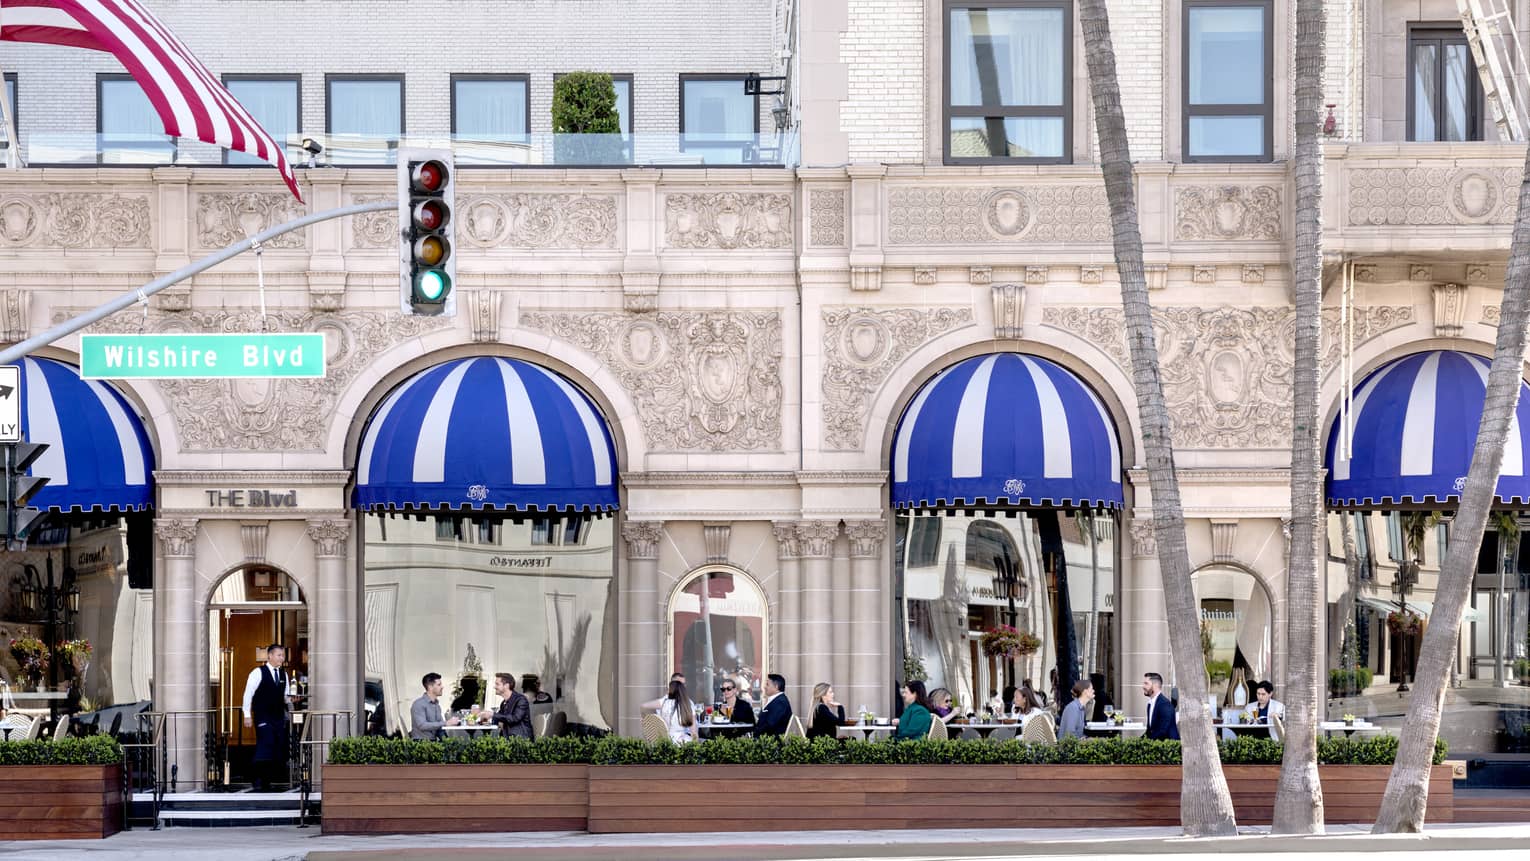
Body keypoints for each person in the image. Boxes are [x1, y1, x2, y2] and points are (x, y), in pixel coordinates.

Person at [241, 643, 295, 791]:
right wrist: (247, 715)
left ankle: (267, 780)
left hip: (278, 717)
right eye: (279, 655)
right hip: (263, 716)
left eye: (283, 655)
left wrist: (292, 707)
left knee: (277, 747)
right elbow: (248, 694)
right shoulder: (258, 672)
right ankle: (256, 779)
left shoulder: (284, 674)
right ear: (269, 656)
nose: (281, 658)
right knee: (266, 744)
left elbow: (285, 697)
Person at [410, 672, 460, 740]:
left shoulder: (436, 705)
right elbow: (422, 725)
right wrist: (446, 723)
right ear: (430, 687)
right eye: (439, 684)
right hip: (421, 743)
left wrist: (448, 742)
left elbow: (439, 728)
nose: (442, 687)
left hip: (433, 742)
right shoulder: (418, 704)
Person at [491, 672, 532, 739]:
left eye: (497, 684)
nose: (494, 687)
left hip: (521, 742)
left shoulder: (521, 700)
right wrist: (485, 718)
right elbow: (499, 718)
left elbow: (515, 718)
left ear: (506, 685)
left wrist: (492, 714)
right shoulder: (503, 703)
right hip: (507, 740)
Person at [1143, 672, 1179, 740]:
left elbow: (1162, 731)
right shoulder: (1150, 704)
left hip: (1168, 747)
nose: (1143, 686)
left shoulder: (1165, 705)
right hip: (1156, 745)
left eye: (1146, 683)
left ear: (1155, 685)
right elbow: (1149, 731)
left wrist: (1146, 743)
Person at [658, 679, 695, 743]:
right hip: (681, 742)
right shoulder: (687, 704)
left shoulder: (664, 703)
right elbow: (694, 732)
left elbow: (644, 706)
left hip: (665, 742)